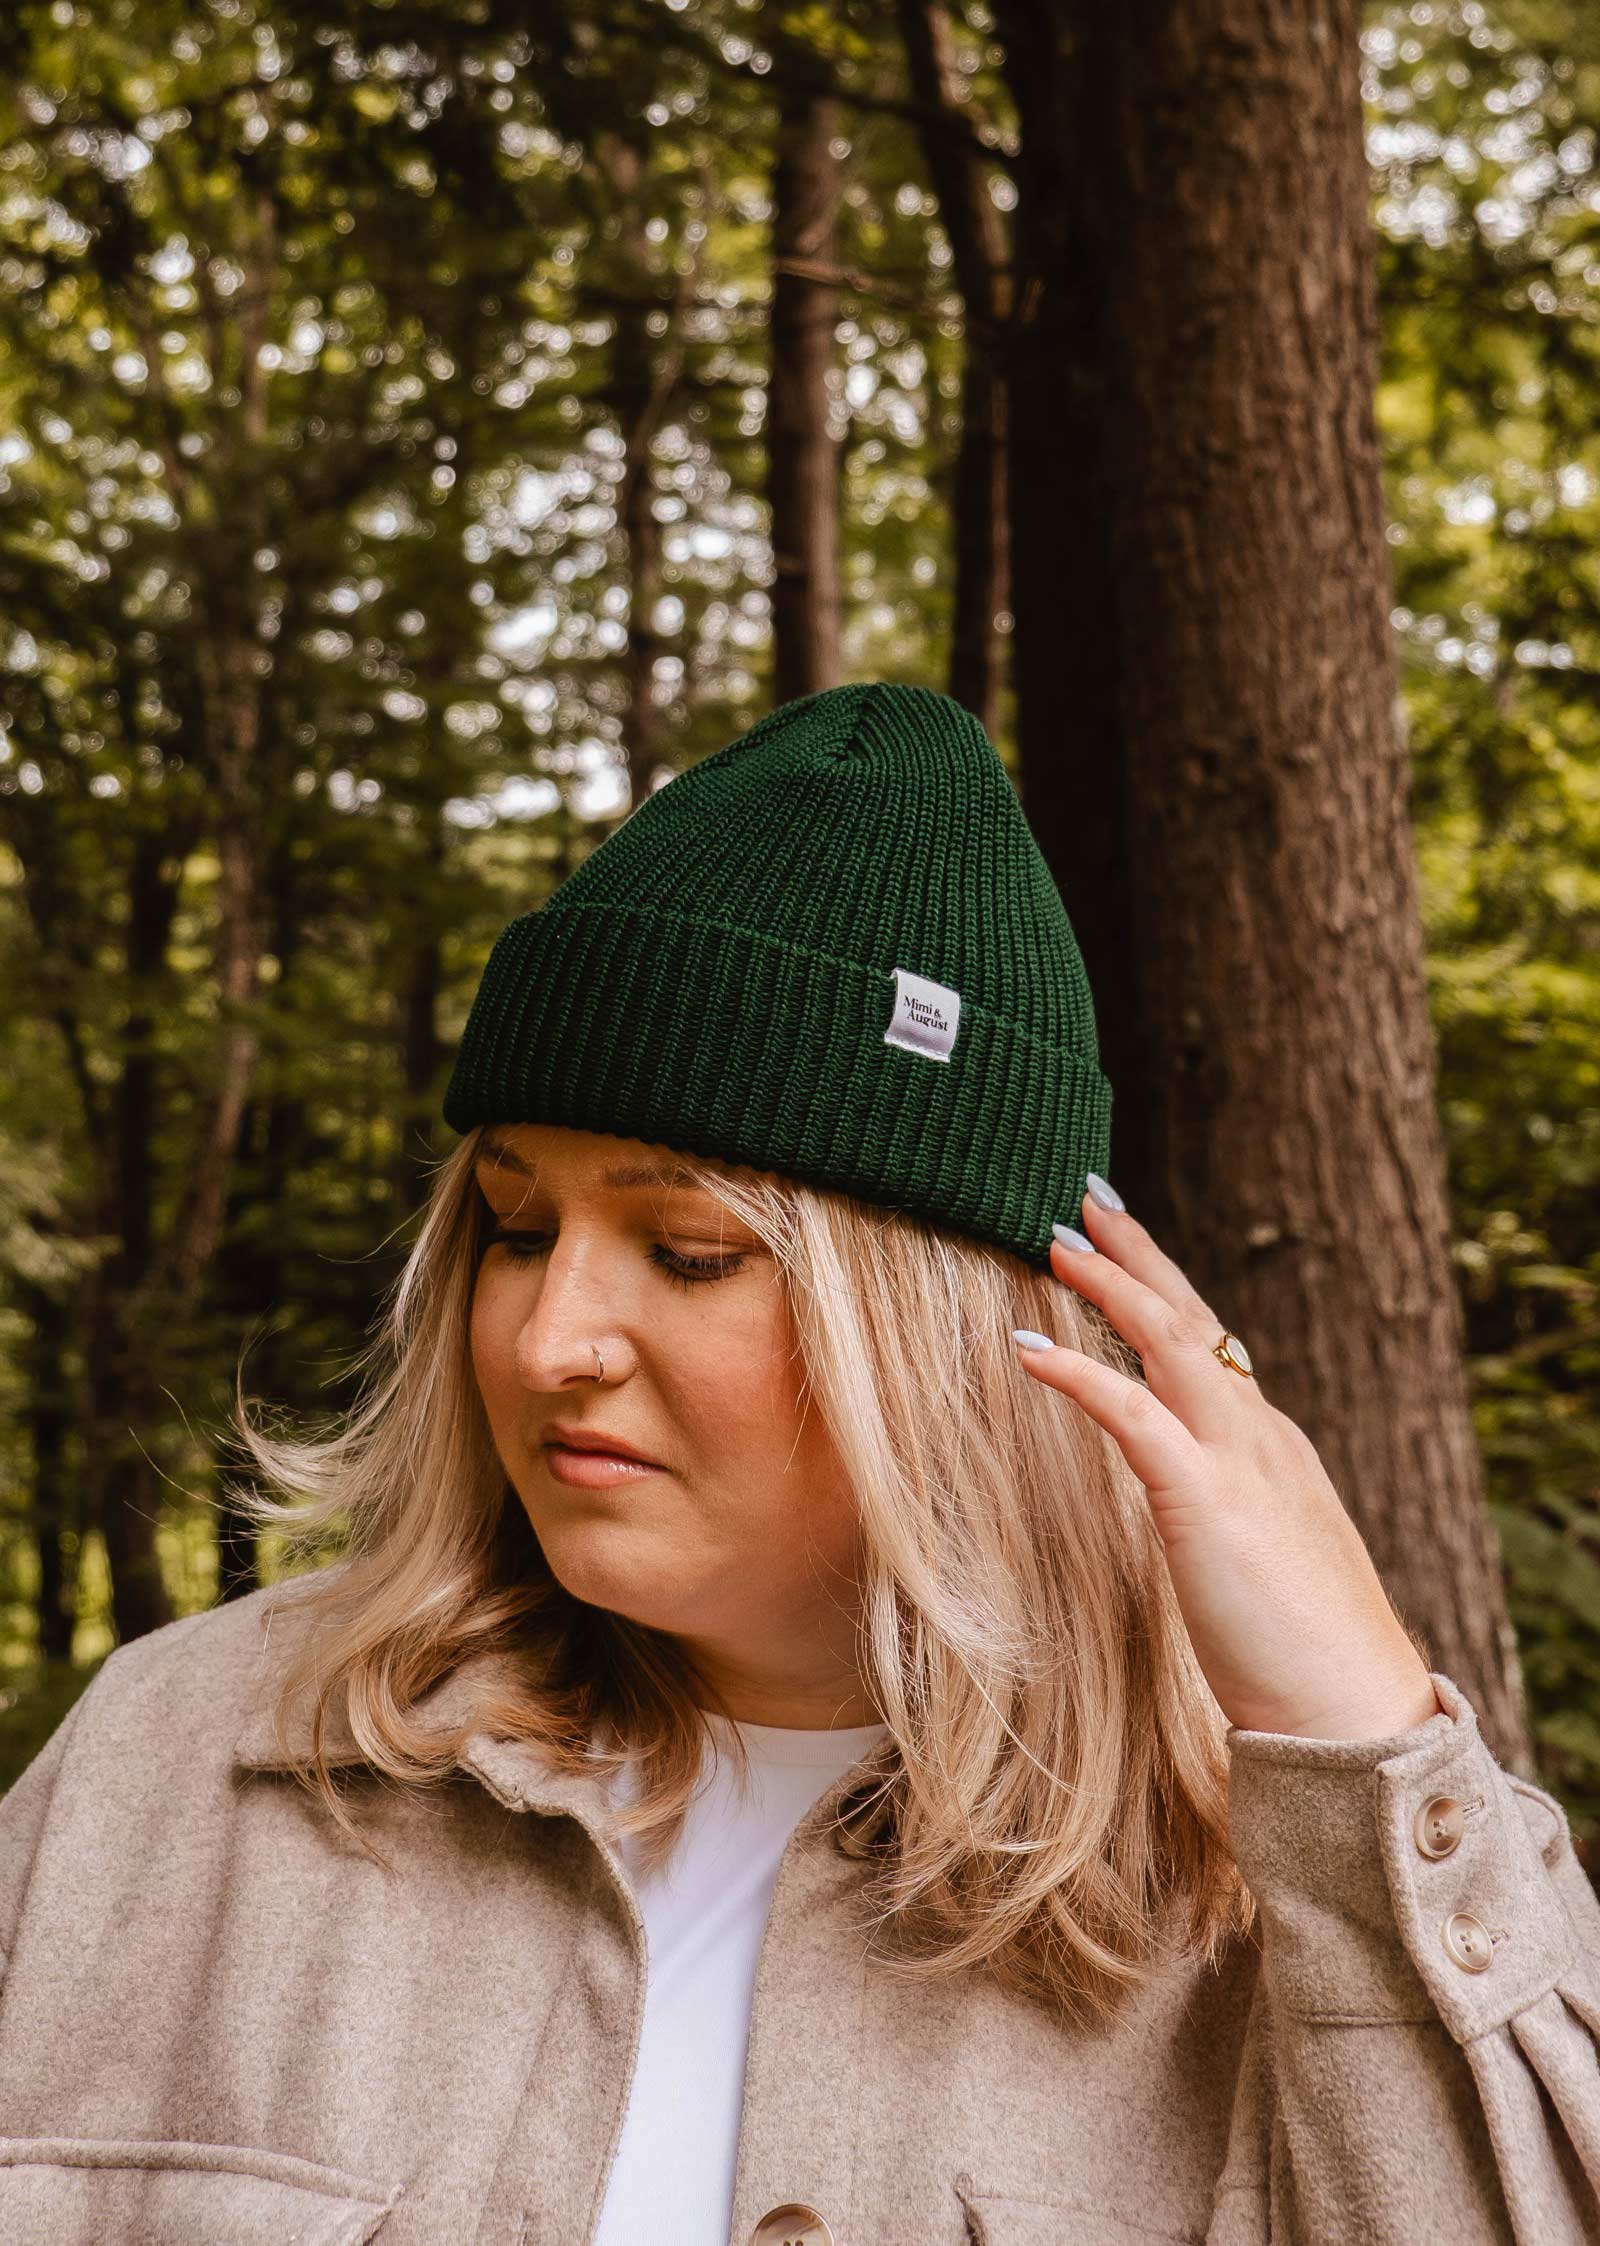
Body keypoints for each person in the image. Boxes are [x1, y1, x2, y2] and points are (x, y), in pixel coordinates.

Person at [1, 682, 1596, 2246]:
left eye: (689, 1248)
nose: (551, 1337)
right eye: (515, 1223)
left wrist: (1363, 1741)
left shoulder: (1269, 1906)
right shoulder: (182, 1765)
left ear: (948, 1334)